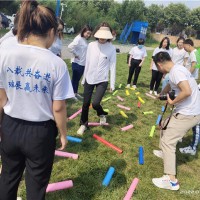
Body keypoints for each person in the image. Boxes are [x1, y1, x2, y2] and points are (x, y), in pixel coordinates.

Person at [0, 1, 74, 200]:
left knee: (7, 178)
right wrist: (64, 134)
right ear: (51, 32)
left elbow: (1, 98)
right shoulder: (56, 64)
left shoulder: (4, 54)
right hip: (40, 133)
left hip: (10, 126)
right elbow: (58, 108)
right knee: (36, 184)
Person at [152, 52, 200, 191]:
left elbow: (187, 91)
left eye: (157, 67)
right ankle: (164, 153)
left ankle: (171, 181)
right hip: (189, 111)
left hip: (188, 113)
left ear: (159, 64)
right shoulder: (175, 70)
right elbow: (171, 86)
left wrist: (172, 101)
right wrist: (161, 94)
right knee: (164, 125)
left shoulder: (176, 72)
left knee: (168, 141)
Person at [77, 22, 116, 135]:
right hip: (89, 77)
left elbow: (112, 67)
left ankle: (101, 113)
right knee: (85, 103)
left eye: (105, 35)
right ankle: (83, 124)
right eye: (101, 34)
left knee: (95, 103)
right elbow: (87, 62)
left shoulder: (111, 48)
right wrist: (84, 79)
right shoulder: (91, 46)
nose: (102, 38)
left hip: (102, 79)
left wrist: (112, 84)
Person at [68, 25, 92, 100]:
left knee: (77, 79)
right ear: (83, 31)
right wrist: (76, 54)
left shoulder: (84, 39)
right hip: (77, 62)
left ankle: (75, 92)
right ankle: (71, 94)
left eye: (90, 34)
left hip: (82, 62)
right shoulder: (78, 38)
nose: (88, 35)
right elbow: (70, 47)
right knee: (75, 79)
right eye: (87, 33)